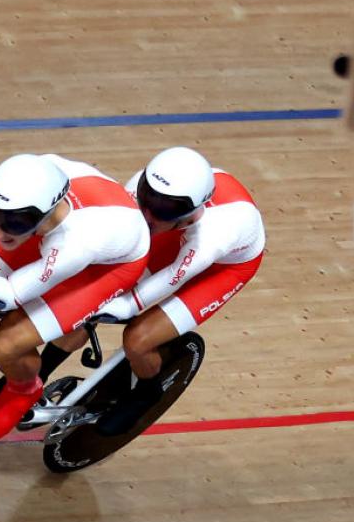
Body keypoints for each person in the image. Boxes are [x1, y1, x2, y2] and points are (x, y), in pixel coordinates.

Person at [0, 153, 150, 443]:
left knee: (9, 341)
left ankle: (24, 388)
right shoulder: (13, 194)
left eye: (9, 224)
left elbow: (9, 296)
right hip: (46, 232)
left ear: (45, 212)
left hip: (106, 267)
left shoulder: (78, 241)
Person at [44, 146, 266, 435]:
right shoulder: (143, 195)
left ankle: (147, 392)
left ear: (191, 212)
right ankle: (39, 373)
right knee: (92, 296)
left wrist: (121, 306)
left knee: (138, 340)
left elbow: (169, 281)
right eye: (147, 199)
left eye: (163, 209)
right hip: (172, 236)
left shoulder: (214, 234)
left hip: (224, 268)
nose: (148, 213)